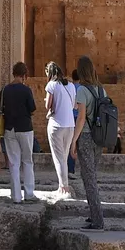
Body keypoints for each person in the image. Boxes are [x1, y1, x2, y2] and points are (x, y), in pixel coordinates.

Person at [69, 56, 108, 229]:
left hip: (85, 136)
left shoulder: (82, 90)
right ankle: (94, 215)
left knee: (89, 178)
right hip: (99, 138)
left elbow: (81, 118)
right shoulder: (101, 90)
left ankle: (98, 220)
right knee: (90, 177)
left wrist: (73, 141)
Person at [0, 61, 38, 203]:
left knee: (13, 163)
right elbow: (32, 109)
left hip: (9, 128)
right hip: (25, 128)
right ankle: (29, 193)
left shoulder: (5, 90)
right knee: (27, 161)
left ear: (13, 73)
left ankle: (16, 196)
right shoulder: (26, 90)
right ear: (24, 75)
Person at [43, 62, 78, 196]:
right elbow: (74, 105)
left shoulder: (51, 84)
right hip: (70, 125)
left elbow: (48, 105)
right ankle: (63, 186)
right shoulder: (71, 85)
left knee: (59, 158)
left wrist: (48, 100)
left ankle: (64, 188)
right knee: (64, 156)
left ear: (50, 72)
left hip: (56, 125)